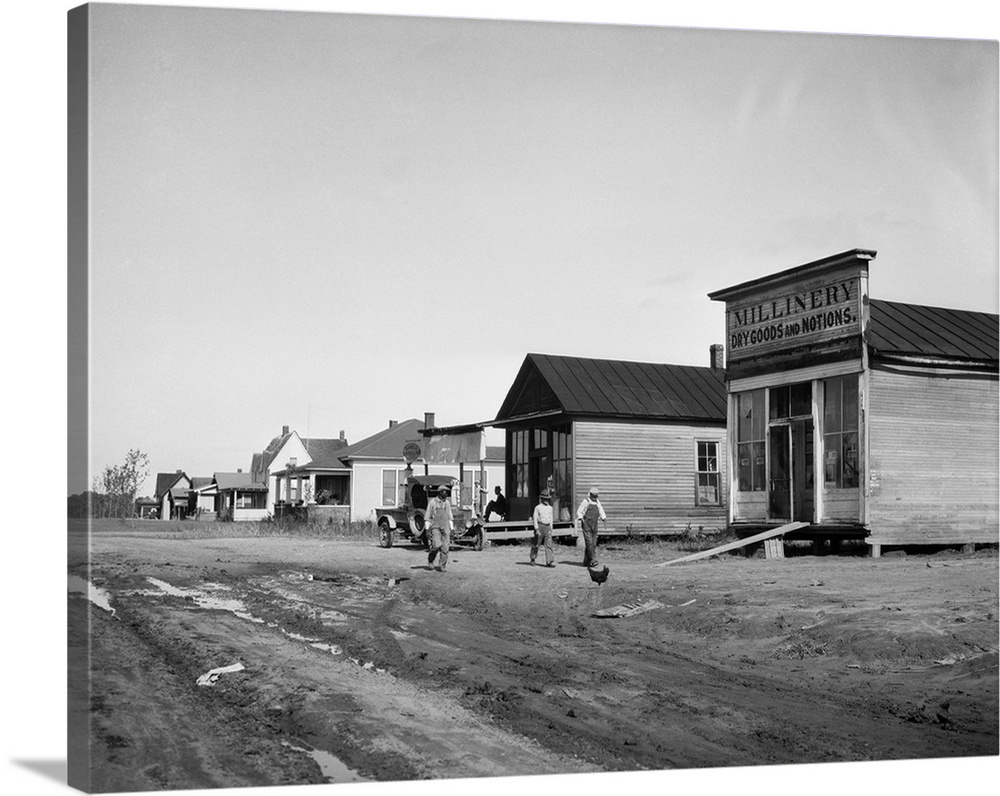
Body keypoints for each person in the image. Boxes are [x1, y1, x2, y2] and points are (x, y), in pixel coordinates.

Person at [424, 485, 454, 572]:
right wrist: (426, 529)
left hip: (445, 527)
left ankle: (442, 565)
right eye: (445, 491)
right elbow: (427, 516)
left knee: (445, 547)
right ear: (440, 492)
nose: (446, 493)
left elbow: (449, 516)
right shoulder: (432, 502)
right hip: (435, 527)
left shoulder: (447, 503)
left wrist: (451, 529)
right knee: (436, 545)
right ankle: (430, 560)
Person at [576, 487, 607, 568]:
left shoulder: (597, 502)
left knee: (593, 543)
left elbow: (601, 511)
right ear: (590, 494)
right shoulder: (585, 501)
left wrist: (604, 518)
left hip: (594, 525)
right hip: (586, 524)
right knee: (589, 542)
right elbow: (579, 511)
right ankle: (593, 559)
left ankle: (586, 561)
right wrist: (581, 518)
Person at [531, 489, 556, 567]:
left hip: (547, 526)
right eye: (544, 499)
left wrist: (551, 528)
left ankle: (549, 561)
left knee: (549, 545)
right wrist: (536, 528)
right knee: (536, 544)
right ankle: (533, 558)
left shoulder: (550, 508)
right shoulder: (537, 508)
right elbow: (535, 518)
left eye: (547, 499)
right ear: (541, 499)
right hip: (540, 526)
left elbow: (551, 518)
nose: (546, 501)